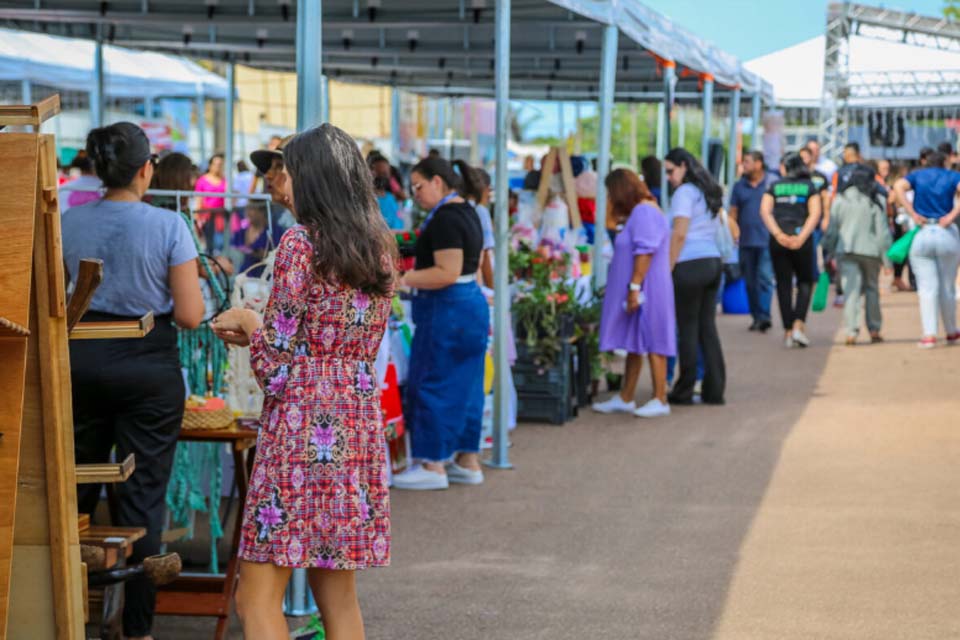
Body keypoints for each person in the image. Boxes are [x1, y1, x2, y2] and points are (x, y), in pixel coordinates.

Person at [211, 124, 394, 639]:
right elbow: (343, 344)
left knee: (257, 597)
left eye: (287, 171)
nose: (280, 183)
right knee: (339, 600)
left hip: (301, 428)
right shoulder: (379, 245)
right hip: (355, 421)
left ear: (313, 177)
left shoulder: (298, 244)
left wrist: (250, 324)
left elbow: (279, 366)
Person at [62, 123, 204, 640]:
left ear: (98, 169)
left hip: (76, 366)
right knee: (143, 500)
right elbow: (190, 315)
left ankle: (66, 616)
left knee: (73, 495)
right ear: (147, 169)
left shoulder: (66, 222)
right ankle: (137, 630)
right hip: (148, 369)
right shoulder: (169, 227)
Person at [392, 157, 489, 490]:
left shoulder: (447, 218)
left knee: (432, 382)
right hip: (469, 306)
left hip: (448, 310)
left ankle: (432, 463)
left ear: (437, 181)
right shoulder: (469, 211)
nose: (415, 194)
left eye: (419, 186)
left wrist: (401, 279)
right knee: (467, 386)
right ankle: (467, 460)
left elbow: (446, 272)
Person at [591, 169, 675, 418]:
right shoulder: (642, 211)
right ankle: (626, 396)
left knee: (653, 339)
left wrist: (635, 287)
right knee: (635, 342)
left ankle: (660, 397)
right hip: (642, 285)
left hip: (647, 287)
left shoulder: (645, 211)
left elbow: (644, 252)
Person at [664, 147, 726, 406]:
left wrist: (667, 268)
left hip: (689, 263)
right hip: (712, 261)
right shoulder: (707, 192)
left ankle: (684, 388)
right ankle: (715, 389)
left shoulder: (684, 194)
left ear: (684, 166)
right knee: (707, 328)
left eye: (670, 171)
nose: (668, 177)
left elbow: (679, 233)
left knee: (687, 328)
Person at [893, 151, 960, 348]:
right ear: (945, 162)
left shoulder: (917, 175)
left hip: (921, 231)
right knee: (947, 287)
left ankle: (929, 335)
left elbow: (898, 186)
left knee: (927, 288)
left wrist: (911, 211)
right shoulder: (952, 176)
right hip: (946, 230)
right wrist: (953, 214)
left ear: (925, 162)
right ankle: (951, 331)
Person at [759, 152, 823, 348]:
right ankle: (798, 325)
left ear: (785, 167)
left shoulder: (775, 186)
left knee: (783, 284)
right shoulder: (809, 186)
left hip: (779, 240)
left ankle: (787, 330)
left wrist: (778, 234)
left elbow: (764, 211)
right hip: (801, 239)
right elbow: (815, 213)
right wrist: (802, 237)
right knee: (805, 281)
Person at [824, 164, 892, 345]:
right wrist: (887, 260)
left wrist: (828, 253)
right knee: (872, 290)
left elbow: (832, 230)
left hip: (846, 252)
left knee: (851, 291)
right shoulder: (876, 200)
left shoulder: (840, 199)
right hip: (871, 252)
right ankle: (874, 328)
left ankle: (851, 331)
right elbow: (882, 232)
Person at [729, 150, 776, 332]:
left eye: (747, 162)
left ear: (758, 164)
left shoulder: (771, 183)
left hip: (766, 240)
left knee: (764, 279)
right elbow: (733, 211)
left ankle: (764, 316)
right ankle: (756, 316)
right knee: (749, 282)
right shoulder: (739, 186)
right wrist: (733, 232)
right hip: (746, 241)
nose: (744, 166)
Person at [452, 159, 495, 288]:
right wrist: (492, 289)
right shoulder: (479, 211)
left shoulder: (454, 207)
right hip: (474, 280)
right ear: (484, 189)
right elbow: (485, 255)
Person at [230, 200, 285, 276]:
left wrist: (263, 254)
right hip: (242, 279)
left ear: (262, 212)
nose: (247, 213)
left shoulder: (274, 232)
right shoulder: (240, 233)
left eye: (251, 209)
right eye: (247, 209)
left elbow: (280, 256)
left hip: (265, 280)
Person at [370, 154, 404, 230]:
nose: (382, 176)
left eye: (385, 173)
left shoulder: (390, 197)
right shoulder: (368, 200)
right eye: (378, 173)